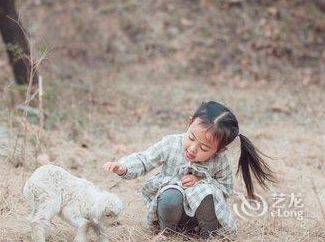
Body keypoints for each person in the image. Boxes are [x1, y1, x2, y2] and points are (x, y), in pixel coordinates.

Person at [103, 101, 276, 239]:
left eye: (204, 147)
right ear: (189, 122)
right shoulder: (171, 143)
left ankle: (209, 234)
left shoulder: (219, 160)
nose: (193, 149)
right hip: (169, 210)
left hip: (201, 218)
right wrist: (124, 167)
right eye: (191, 137)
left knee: (206, 191)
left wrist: (203, 180)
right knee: (172, 194)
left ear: (219, 150)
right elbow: (145, 159)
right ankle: (167, 232)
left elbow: (226, 189)